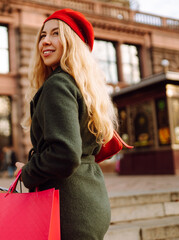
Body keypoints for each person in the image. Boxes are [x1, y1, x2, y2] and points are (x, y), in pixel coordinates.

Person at [14, 8, 118, 240]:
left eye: (55, 34)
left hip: (67, 209)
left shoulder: (57, 85)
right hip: (90, 201)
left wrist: (27, 171)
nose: (45, 42)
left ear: (71, 43)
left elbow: (66, 154)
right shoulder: (83, 87)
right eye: (42, 35)